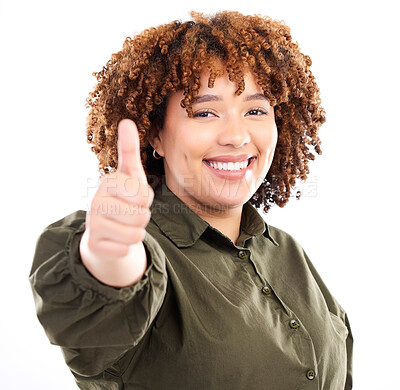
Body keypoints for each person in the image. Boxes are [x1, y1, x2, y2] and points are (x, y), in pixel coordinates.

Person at [30, 10, 353, 389]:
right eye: (205, 112)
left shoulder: (288, 253)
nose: (237, 136)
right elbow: (100, 300)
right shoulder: (143, 252)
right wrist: (109, 257)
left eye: (255, 110)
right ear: (156, 136)